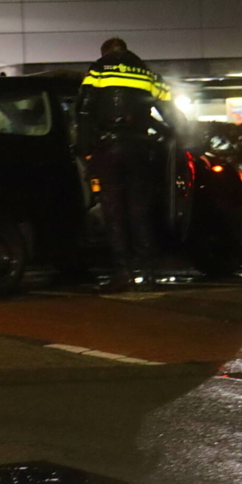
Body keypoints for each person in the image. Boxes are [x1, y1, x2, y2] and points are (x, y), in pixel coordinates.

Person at [77, 37, 184, 292]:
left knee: (114, 211)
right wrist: (182, 136)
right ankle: (147, 272)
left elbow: (83, 110)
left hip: (109, 148)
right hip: (140, 148)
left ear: (105, 52)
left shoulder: (99, 69)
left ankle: (122, 272)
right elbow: (169, 110)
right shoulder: (148, 73)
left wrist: (85, 149)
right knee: (140, 209)